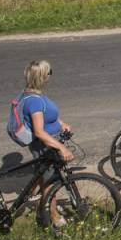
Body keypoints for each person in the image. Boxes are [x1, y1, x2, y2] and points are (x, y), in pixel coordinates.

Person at [18, 60, 74, 226]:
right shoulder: (34, 101)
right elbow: (39, 131)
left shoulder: (36, 94)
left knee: (44, 177)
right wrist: (61, 147)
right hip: (44, 144)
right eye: (50, 72)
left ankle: (39, 203)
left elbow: (48, 116)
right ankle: (53, 216)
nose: (51, 75)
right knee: (50, 182)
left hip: (49, 142)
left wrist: (61, 124)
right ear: (42, 76)